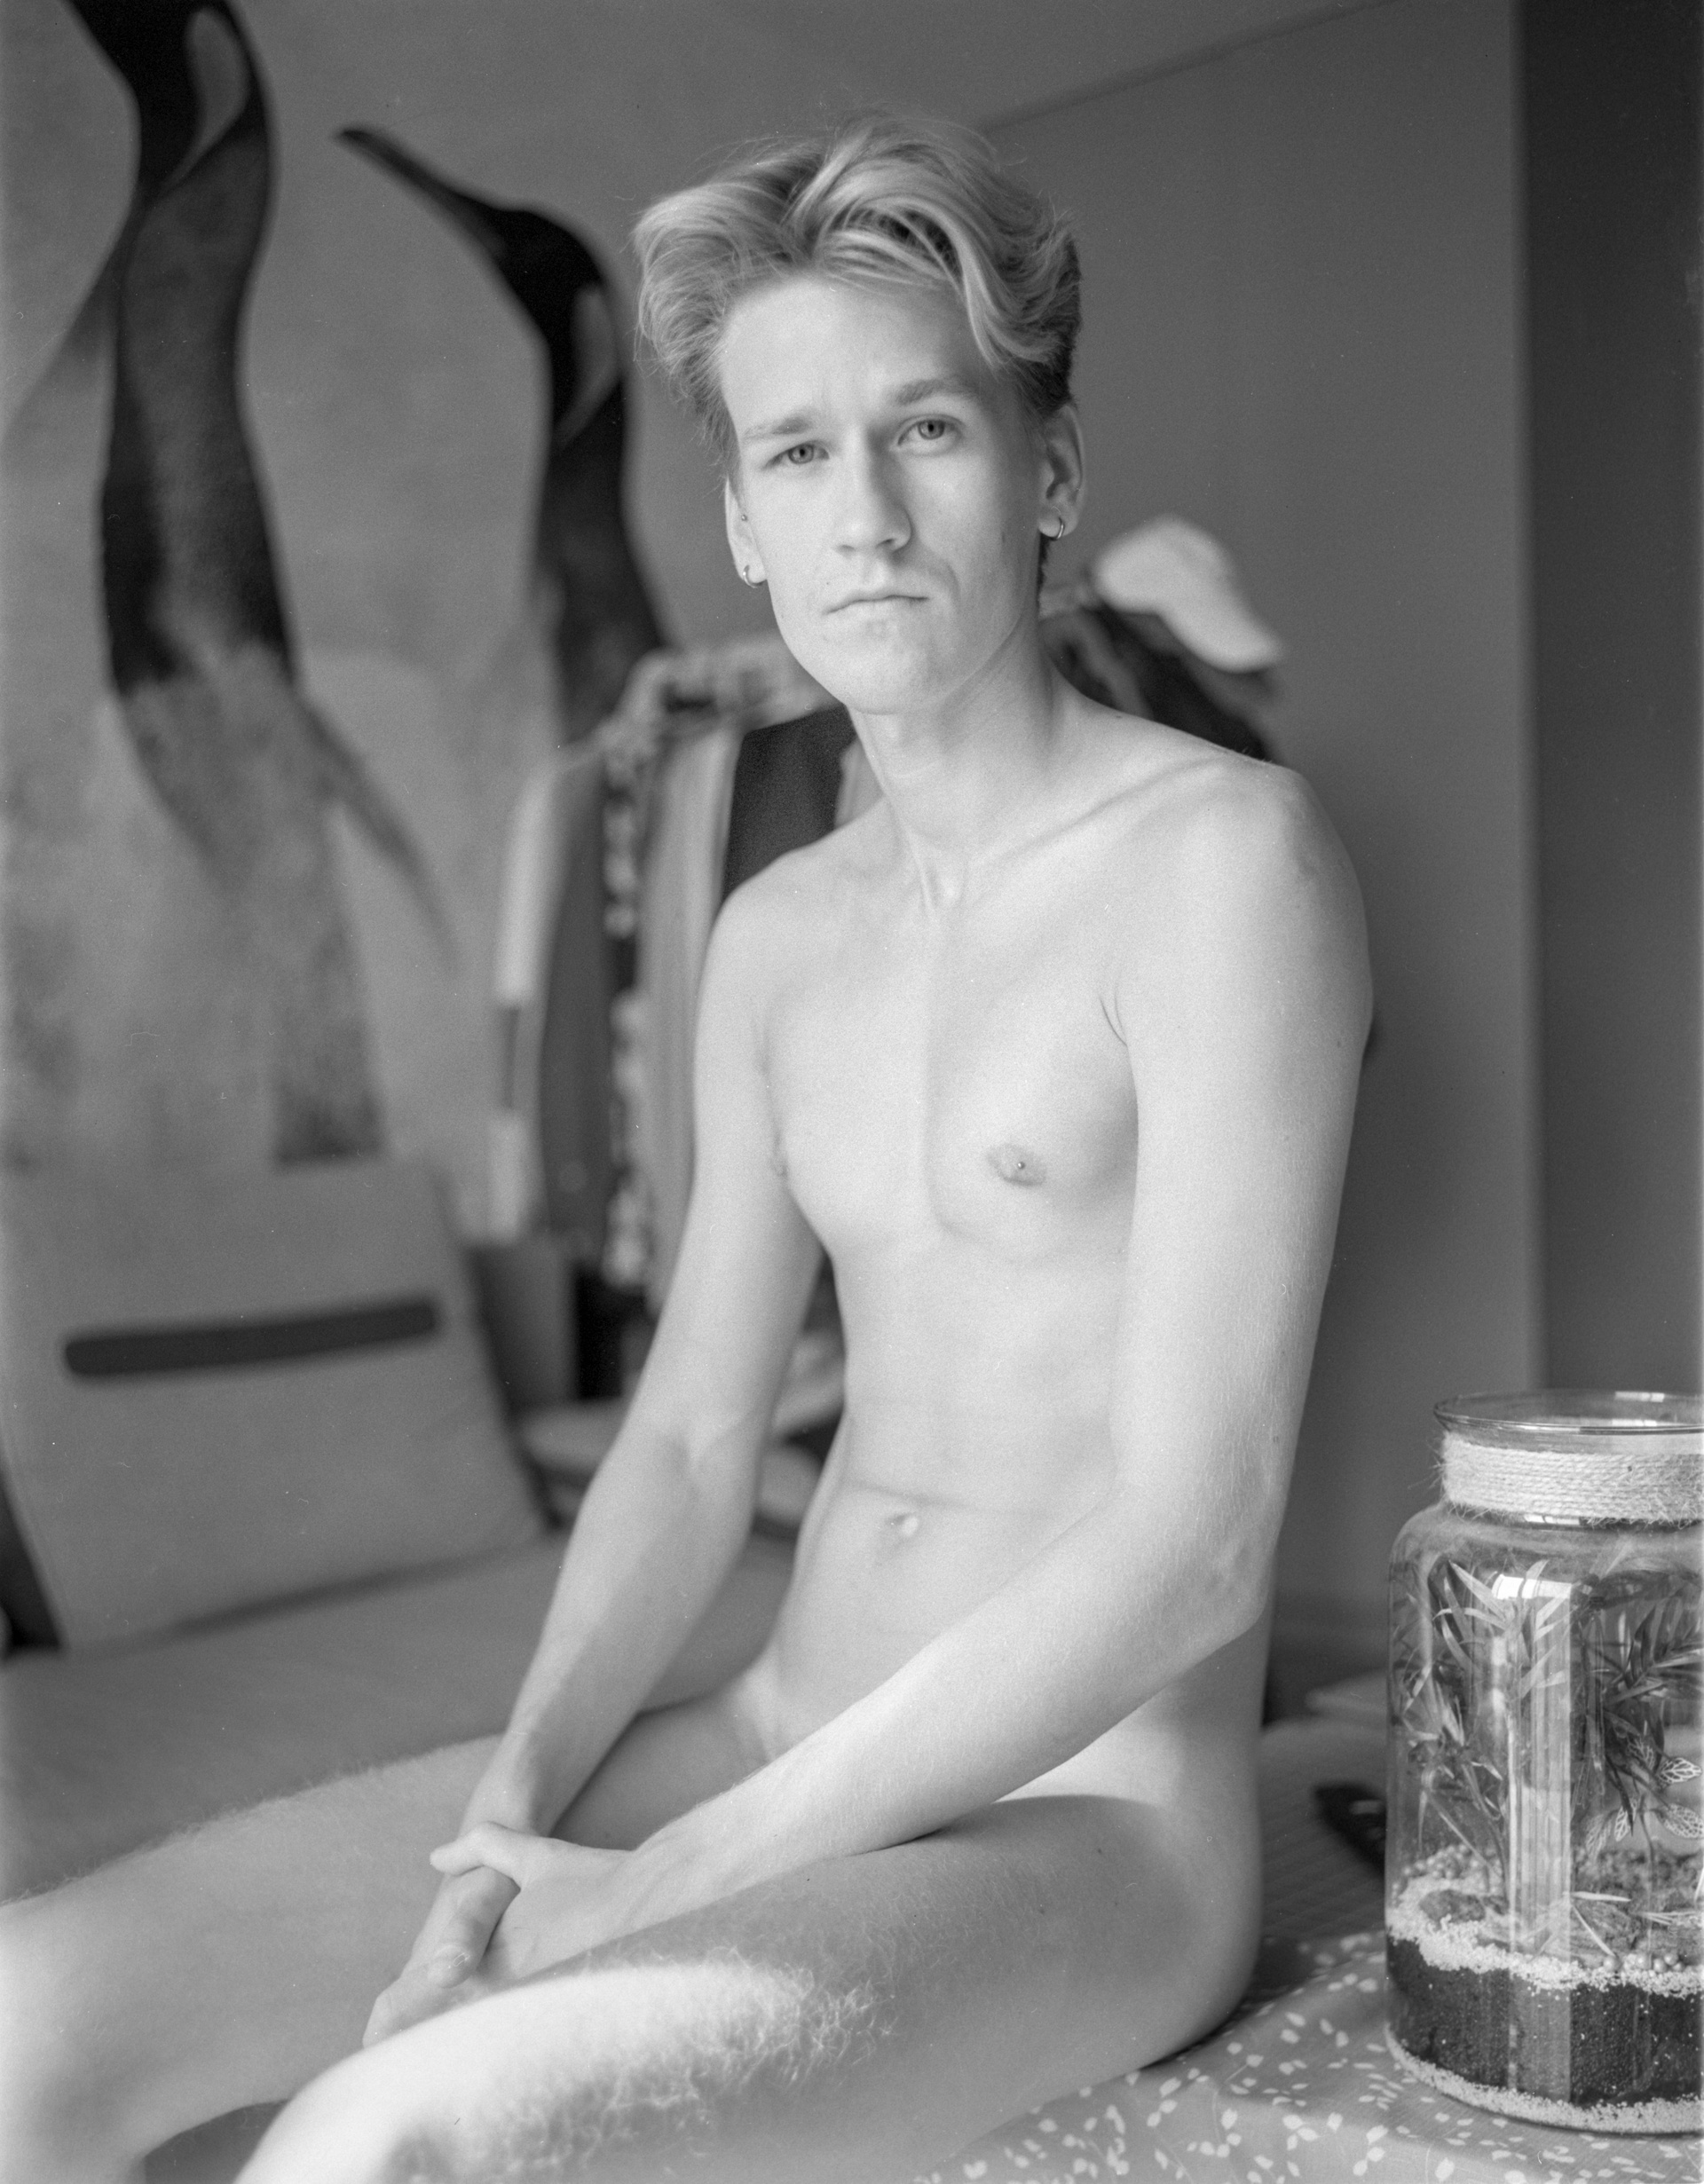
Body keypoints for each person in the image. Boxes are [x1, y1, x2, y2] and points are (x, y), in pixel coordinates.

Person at [1, 114, 1370, 2184]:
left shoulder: (1226, 864)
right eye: (799, 453)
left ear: (1050, 474)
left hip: (1087, 1822)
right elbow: (688, 1438)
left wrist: (668, 1887)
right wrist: (519, 1804)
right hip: (771, 1723)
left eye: (927, 431)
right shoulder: (773, 938)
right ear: (741, 519)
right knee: (35, 2016)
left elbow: (1200, 1536)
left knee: (388, 2137)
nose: (866, 516)